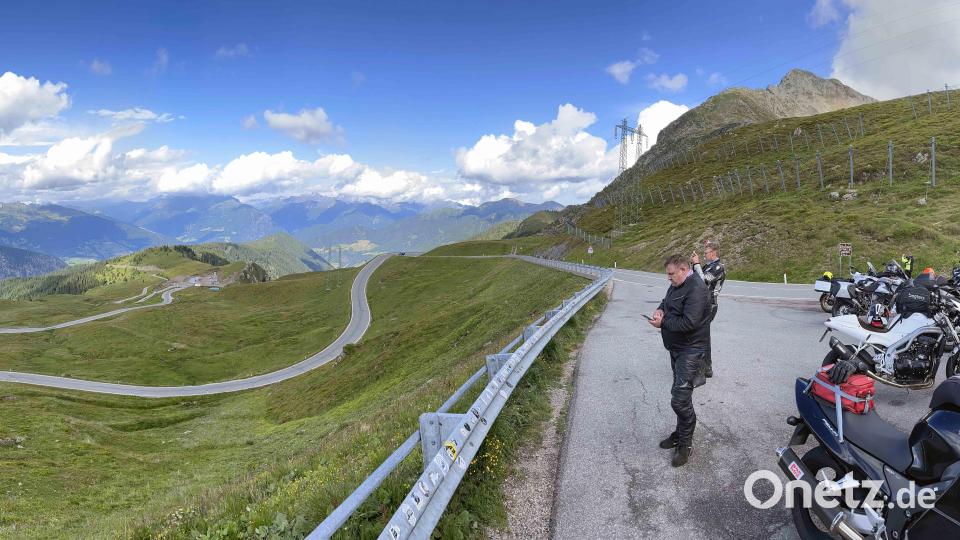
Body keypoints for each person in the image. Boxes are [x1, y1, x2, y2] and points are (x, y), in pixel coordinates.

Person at [649, 254, 711, 467]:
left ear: (684, 270)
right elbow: (667, 301)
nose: (668, 278)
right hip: (677, 349)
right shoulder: (678, 284)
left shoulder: (697, 289)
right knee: (682, 397)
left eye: (671, 274)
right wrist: (660, 309)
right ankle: (679, 434)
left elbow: (689, 322)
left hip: (691, 350)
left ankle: (685, 444)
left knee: (679, 400)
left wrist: (663, 322)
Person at [691, 240, 726, 378]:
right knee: (699, 334)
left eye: (706, 253)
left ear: (714, 252)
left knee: (701, 335)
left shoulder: (718, 267)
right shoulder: (708, 266)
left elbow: (703, 281)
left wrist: (697, 264)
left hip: (710, 304)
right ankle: (703, 366)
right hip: (701, 302)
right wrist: (694, 265)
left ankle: (705, 367)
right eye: (704, 253)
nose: (704, 255)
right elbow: (695, 278)